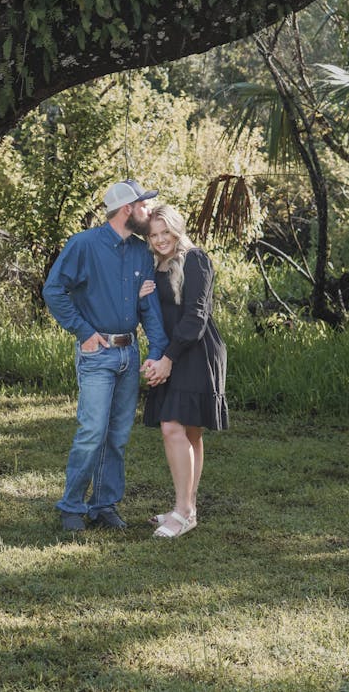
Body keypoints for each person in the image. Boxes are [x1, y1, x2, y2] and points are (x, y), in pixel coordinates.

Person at [43, 180, 169, 532]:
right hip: (97, 355)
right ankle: (72, 506)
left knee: (117, 436)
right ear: (127, 208)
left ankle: (104, 506)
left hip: (130, 354)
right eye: (144, 205)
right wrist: (83, 332)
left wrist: (157, 351)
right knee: (92, 431)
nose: (149, 211)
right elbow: (54, 290)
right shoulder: (83, 244)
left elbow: (149, 307)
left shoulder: (142, 253)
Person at [140, 204, 229, 538]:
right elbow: (156, 314)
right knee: (188, 432)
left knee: (173, 426)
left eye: (166, 232)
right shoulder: (154, 264)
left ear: (177, 230)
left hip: (197, 351)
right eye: (154, 235)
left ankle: (183, 511)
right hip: (172, 351)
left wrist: (168, 359)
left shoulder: (195, 259)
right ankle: (186, 508)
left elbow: (195, 316)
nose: (161, 240)